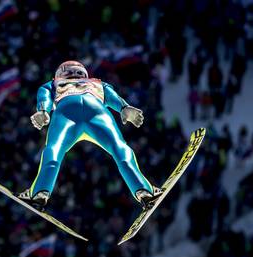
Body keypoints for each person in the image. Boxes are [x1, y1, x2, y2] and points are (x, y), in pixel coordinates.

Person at [17, 61, 162, 210]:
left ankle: (39, 192)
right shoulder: (97, 82)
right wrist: (123, 107)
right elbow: (111, 96)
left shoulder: (54, 83)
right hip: (96, 111)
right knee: (119, 148)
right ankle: (144, 189)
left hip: (66, 111)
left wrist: (43, 111)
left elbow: (44, 95)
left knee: (54, 150)